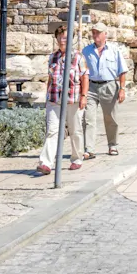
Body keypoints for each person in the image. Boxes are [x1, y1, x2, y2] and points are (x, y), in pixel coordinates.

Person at [37, 26, 89, 175]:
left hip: (73, 98)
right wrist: (46, 97)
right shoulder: (52, 57)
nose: (61, 40)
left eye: (65, 37)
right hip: (54, 99)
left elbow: (85, 76)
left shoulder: (78, 57)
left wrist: (84, 96)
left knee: (75, 130)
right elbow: (50, 78)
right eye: (59, 37)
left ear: (70, 40)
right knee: (52, 130)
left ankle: (77, 158)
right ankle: (46, 163)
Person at [81, 23, 127, 157]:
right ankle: (89, 149)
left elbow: (122, 71)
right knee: (88, 118)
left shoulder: (114, 50)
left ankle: (112, 145)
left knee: (110, 118)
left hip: (109, 86)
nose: (95, 35)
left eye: (98, 32)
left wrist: (122, 89)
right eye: (94, 32)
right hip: (91, 87)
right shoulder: (86, 51)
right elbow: (82, 71)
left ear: (105, 34)